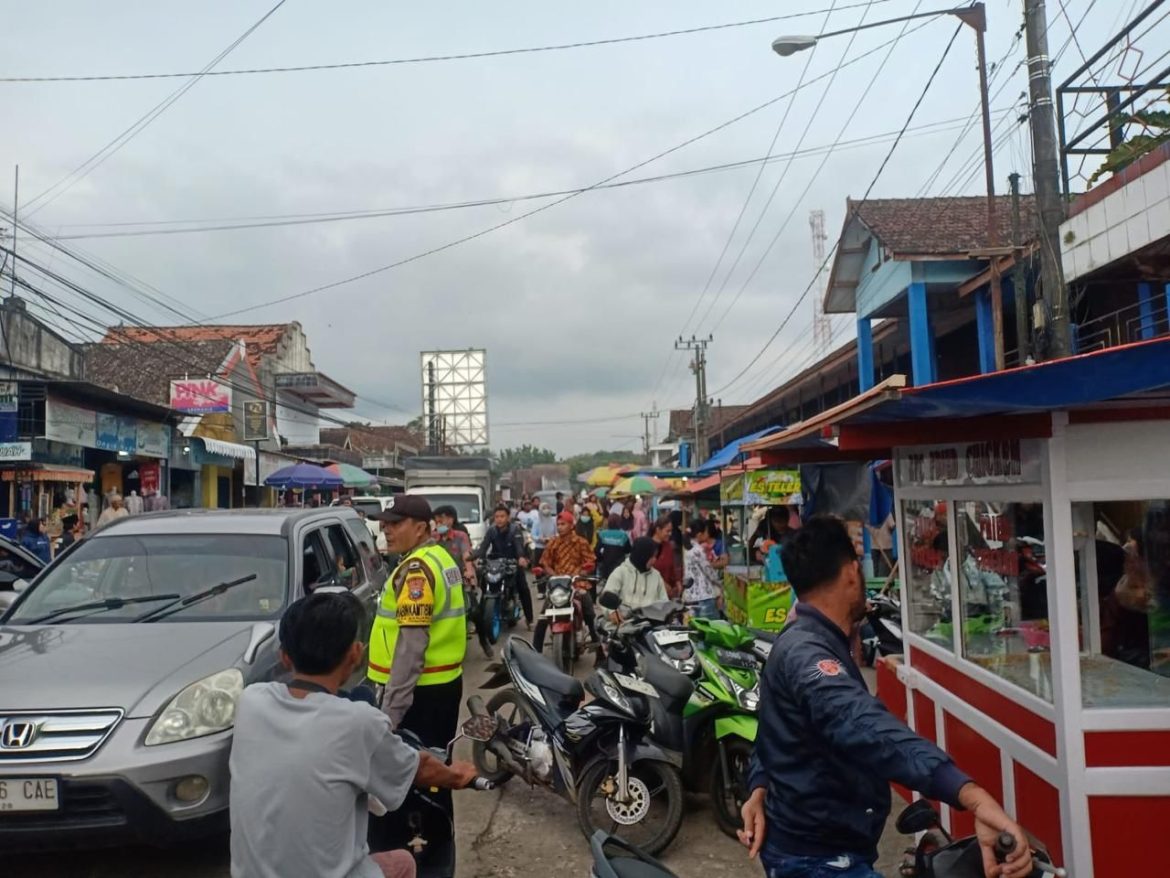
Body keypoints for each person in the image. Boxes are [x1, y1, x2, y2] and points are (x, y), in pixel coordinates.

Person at [740, 516, 1032, 878]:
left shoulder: (806, 635)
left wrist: (759, 785)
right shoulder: (808, 653)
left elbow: (774, 726)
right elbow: (864, 725)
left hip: (819, 848)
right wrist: (971, 795)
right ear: (850, 573)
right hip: (821, 863)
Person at [230, 591, 478, 878]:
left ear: (284, 657)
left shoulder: (251, 701)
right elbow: (420, 768)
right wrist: (459, 776)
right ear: (356, 653)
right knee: (404, 862)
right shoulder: (360, 723)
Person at [367, 496, 467, 740]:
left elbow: (411, 649)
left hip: (419, 692)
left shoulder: (416, 572)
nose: (387, 531)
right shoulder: (439, 556)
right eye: (385, 524)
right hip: (443, 682)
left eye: (396, 524)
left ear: (420, 528)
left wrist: (391, 713)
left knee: (416, 772)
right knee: (437, 764)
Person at [532, 511, 598, 651]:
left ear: (571, 525)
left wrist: (583, 573)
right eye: (558, 524)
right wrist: (553, 575)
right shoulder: (553, 543)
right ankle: (535, 651)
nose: (560, 527)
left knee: (588, 607)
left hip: (577, 583)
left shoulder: (581, 542)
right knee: (543, 616)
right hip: (558, 586)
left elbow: (591, 561)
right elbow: (545, 563)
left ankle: (597, 647)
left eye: (563, 524)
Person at [472, 504, 533, 628]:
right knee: (483, 584)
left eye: (502, 516)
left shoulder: (515, 530)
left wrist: (521, 558)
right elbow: (483, 547)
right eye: (497, 517)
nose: (499, 519)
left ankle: (530, 620)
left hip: (513, 563)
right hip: (496, 563)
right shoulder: (491, 530)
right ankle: (481, 619)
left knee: (523, 588)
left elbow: (518, 545)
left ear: (508, 517)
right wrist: (474, 556)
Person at [600, 536, 669, 616]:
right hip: (623, 623)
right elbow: (606, 596)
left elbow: (664, 602)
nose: (654, 560)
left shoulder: (656, 576)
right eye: (652, 556)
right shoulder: (621, 572)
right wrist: (611, 612)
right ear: (642, 555)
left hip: (650, 623)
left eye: (655, 556)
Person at [683, 520, 723, 619]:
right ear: (700, 534)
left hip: (690, 595)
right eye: (706, 532)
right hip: (704, 595)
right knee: (711, 627)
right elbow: (708, 571)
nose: (707, 534)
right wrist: (720, 585)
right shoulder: (697, 550)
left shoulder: (686, 548)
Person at [649, 515, 683, 600]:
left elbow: (672, 568)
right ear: (658, 530)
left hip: (666, 596)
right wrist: (662, 583)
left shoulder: (668, 547)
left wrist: (677, 582)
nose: (670, 534)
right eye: (667, 531)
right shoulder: (647, 546)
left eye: (671, 531)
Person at [595, 513, 632, 582]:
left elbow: (597, 550)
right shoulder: (623, 535)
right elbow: (628, 550)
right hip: (619, 566)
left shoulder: (603, 534)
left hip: (606, 565)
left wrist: (600, 559)